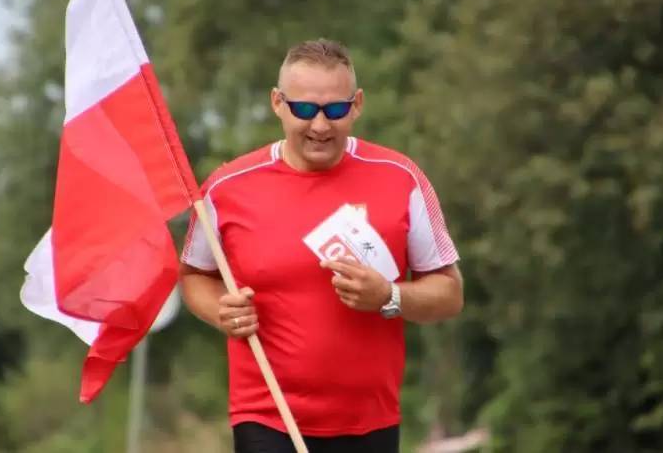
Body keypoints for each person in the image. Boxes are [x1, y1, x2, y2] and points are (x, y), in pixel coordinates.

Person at [179, 38, 464, 453]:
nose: (319, 126)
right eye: (303, 109)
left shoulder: (401, 177)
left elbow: (450, 292)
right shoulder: (226, 188)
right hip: (267, 416)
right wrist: (221, 311)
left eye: (335, 110)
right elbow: (193, 275)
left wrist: (390, 296)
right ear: (277, 103)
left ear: (357, 104)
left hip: (370, 420)